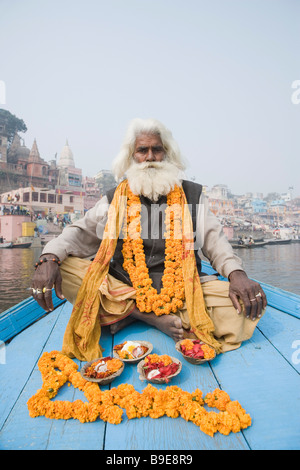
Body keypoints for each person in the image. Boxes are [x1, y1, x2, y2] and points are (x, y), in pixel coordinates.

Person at [31, 118, 267, 361]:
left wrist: (237, 274)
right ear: (132, 157)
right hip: (126, 287)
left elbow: (215, 241)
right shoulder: (115, 197)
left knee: (242, 311)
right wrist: (48, 258)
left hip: (184, 289)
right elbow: (78, 232)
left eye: (157, 149)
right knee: (67, 267)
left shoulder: (192, 194)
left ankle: (122, 315)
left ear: (167, 153)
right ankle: (146, 316)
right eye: (143, 150)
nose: (150, 157)